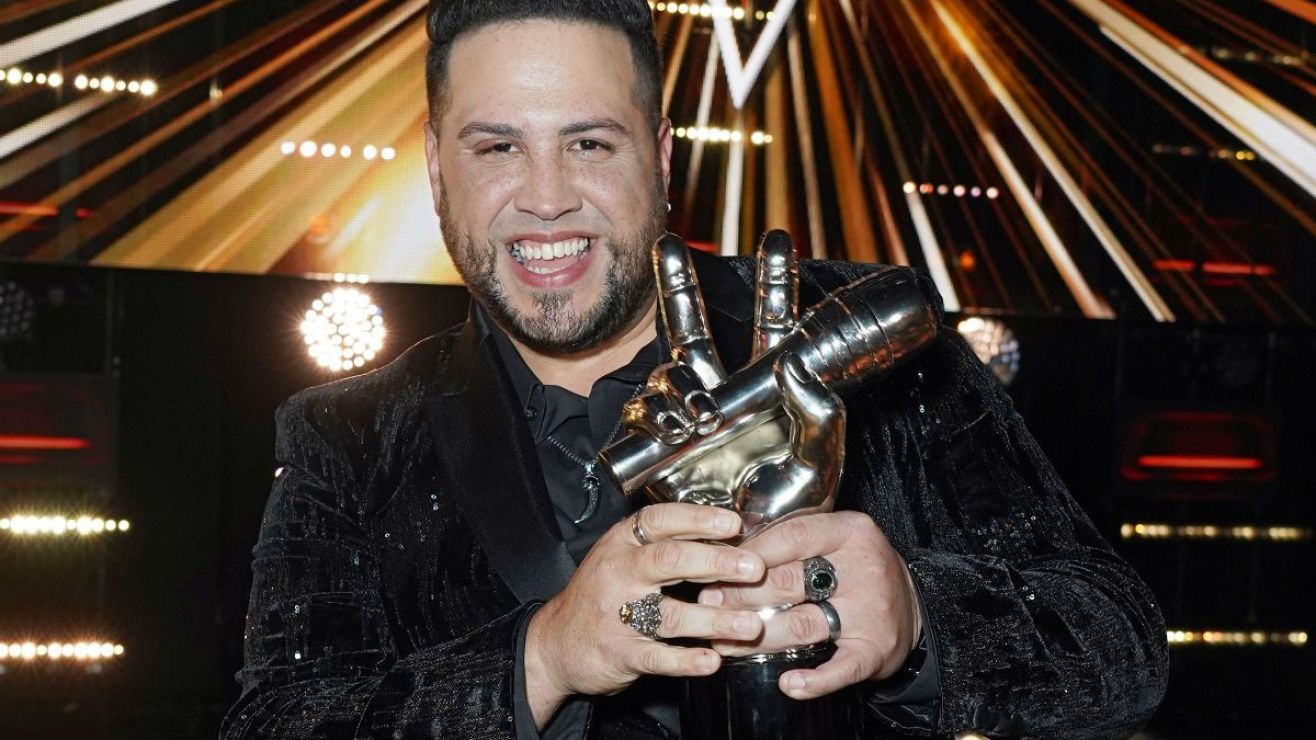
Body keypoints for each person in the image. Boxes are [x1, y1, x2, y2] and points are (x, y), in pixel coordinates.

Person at [221, 1, 1169, 738]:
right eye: (499, 146)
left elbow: (1121, 645)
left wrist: (919, 618)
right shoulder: (347, 435)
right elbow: (277, 722)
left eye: (590, 143)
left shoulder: (871, 344)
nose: (546, 198)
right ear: (437, 168)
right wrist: (543, 657)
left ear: (663, 157)